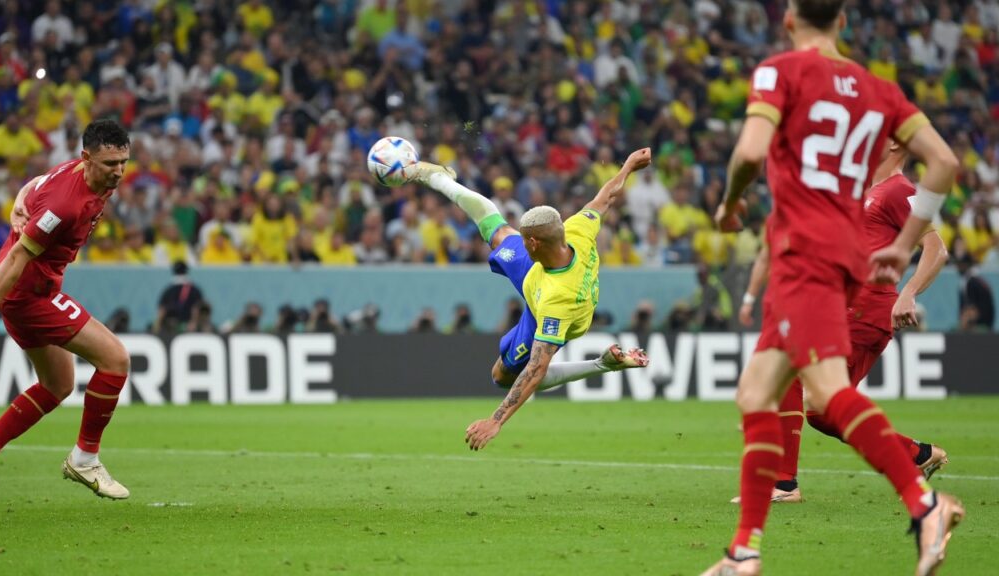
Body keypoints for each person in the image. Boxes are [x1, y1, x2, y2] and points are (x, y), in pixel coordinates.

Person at [701, 2, 963, 574]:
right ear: (843, 23)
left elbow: (748, 152)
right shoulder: (879, 92)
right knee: (757, 392)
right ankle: (744, 550)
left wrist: (729, 204)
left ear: (791, 21)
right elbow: (943, 161)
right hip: (838, 257)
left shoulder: (779, 71)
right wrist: (904, 243)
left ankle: (925, 507)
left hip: (806, 255)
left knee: (824, 396)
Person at [733, 143, 951, 508]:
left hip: (868, 309)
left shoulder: (902, 191)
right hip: (843, 307)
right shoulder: (864, 192)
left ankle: (784, 483)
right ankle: (916, 454)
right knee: (822, 412)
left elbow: (936, 249)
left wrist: (908, 293)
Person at [413, 149, 653, 452]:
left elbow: (537, 370)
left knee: (502, 375)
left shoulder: (557, 304)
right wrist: (628, 166)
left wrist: (496, 419)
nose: (521, 239)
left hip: (551, 304)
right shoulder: (578, 230)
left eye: (525, 237)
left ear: (534, 242)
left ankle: (600, 364)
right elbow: (605, 197)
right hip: (539, 272)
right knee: (496, 229)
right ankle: (439, 178)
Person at [0, 119, 133, 517]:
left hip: (32, 291)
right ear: (87, 159)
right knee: (115, 360)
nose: (117, 171)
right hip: (30, 295)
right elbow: (16, 259)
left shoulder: (80, 172)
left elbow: (37, 183)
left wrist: (19, 199)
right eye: (110, 163)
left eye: (123, 162)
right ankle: (84, 459)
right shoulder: (66, 205)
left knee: (58, 384)